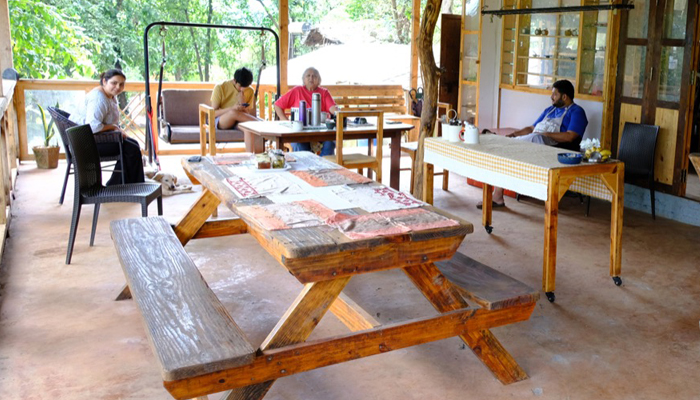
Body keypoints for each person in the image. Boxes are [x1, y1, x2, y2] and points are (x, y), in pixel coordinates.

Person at [478, 79, 588, 209]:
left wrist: (545, 134)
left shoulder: (577, 112)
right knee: (506, 152)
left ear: (564, 97)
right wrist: (514, 134)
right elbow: (531, 128)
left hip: (557, 149)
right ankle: (498, 195)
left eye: (554, 94)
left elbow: (570, 137)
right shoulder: (550, 110)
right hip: (536, 142)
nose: (551, 97)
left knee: (529, 140)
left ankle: (505, 144)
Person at [74, 69, 145, 186]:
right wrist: (113, 127)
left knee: (133, 144)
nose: (118, 87)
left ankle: (127, 184)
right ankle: (120, 185)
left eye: (121, 84)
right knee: (131, 149)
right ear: (104, 81)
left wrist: (116, 128)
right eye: (114, 83)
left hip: (96, 139)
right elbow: (92, 127)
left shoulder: (110, 95)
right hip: (85, 144)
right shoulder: (99, 99)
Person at [274, 67, 338, 156]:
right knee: (300, 145)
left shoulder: (324, 92)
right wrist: (285, 120)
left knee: (331, 142)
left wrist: (339, 112)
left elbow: (333, 109)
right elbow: (277, 105)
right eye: (308, 76)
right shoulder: (297, 90)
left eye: (314, 76)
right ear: (303, 79)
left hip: (320, 133)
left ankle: (322, 166)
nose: (311, 78)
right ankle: (307, 168)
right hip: (300, 132)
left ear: (319, 80)